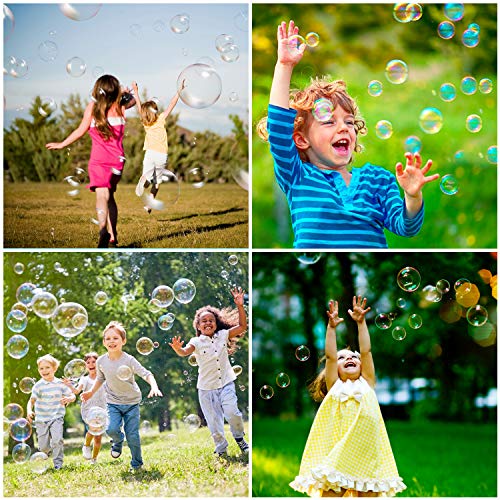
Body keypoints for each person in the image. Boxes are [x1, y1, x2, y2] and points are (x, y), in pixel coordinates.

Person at [257, 20, 439, 249]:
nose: (343, 128)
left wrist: (412, 197)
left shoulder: (377, 181)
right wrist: (284, 65)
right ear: (302, 140)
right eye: (329, 121)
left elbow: (406, 228)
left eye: (350, 122)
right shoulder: (298, 177)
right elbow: (279, 130)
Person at [290, 296, 406, 497]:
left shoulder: (367, 382)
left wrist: (361, 323)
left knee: (369, 490)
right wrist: (331, 328)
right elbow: (331, 355)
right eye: (343, 358)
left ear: (362, 366)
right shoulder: (336, 385)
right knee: (332, 490)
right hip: (339, 448)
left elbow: (366, 351)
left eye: (354, 357)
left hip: (366, 450)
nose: (350, 358)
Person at [46, 74, 136, 248]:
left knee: (102, 195)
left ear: (97, 89)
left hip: (98, 160)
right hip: (117, 160)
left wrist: (62, 144)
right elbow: (131, 100)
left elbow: (80, 130)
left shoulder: (92, 108)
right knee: (111, 197)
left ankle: (103, 230)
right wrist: (123, 93)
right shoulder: (120, 105)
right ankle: (113, 236)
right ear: (115, 90)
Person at [169, 286, 249, 458]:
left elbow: (242, 326)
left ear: (216, 323)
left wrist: (240, 306)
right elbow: (185, 351)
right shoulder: (196, 341)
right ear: (198, 325)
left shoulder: (223, 335)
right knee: (214, 423)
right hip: (206, 388)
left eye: (211, 320)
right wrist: (178, 349)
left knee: (233, 412)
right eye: (203, 321)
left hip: (226, 382)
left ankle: (240, 439)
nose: (207, 323)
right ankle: (221, 448)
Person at [81, 321, 163, 472]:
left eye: (115, 338)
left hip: (131, 403)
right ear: (104, 342)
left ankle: (137, 464)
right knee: (111, 429)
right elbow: (100, 379)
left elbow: (146, 373)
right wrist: (90, 392)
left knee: (133, 436)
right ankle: (118, 441)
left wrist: (154, 386)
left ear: (123, 341)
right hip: (112, 402)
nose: (112, 341)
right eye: (108, 338)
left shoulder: (129, 360)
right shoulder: (101, 361)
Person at [131, 81, 184, 214]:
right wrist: (179, 91)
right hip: (161, 155)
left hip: (149, 154)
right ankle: (149, 204)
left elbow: (139, 107)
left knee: (147, 176)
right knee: (157, 183)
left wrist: (136, 92)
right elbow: (172, 104)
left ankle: (144, 180)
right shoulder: (161, 119)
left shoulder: (145, 123)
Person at [26, 354, 76, 470]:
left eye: (47, 367)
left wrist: (70, 398)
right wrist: (29, 410)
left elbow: (72, 395)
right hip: (41, 419)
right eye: (41, 368)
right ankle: (46, 453)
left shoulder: (60, 384)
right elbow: (31, 401)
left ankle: (58, 464)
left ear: (54, 368)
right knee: (43, 447)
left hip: (56, 417)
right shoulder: (38, 386)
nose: (44, 370)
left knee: (57, 440)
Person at [63, 352, 107, 464]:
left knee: (98, 437)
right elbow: (77, 391)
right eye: (88, 362)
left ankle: (94, 459)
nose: (91, 364)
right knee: (93, 429)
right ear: (85, 366)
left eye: (94, 362)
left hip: (102, 409)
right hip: (88, 409)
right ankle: (86, 445)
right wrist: (69, 385)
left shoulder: (104, 378)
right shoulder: (84, 379)